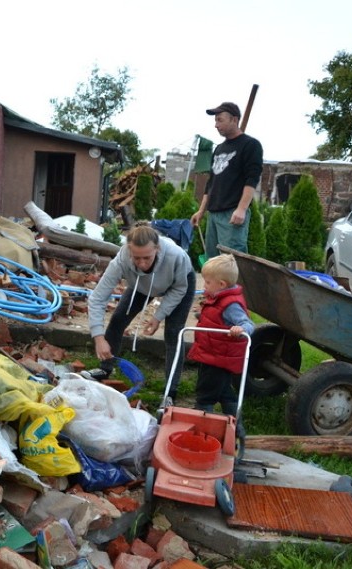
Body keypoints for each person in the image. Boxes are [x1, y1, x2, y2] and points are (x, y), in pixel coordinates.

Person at [88, 223, 196, 403]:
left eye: (147, 257)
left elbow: (179, 289)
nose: (142, 263)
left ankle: (170, 391)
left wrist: (158, 316)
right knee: (117, 320)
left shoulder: (176, 256)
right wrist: (98, 338)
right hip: (140, 284)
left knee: (173, 334)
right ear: (129, 250)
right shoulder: (122, 259)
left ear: (157, 248)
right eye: (136, 258)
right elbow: (97, 298)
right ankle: (105, 368)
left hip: (178, 284)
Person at [191, 102, 263, 259]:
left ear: (234, 119)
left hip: (232, 213)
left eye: (220, 120)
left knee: (231, 262)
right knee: (213, 262)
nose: (216, 125)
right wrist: (201, 211)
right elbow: (211, 183)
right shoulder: (219, 149)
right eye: (215, 121)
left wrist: (242, 209)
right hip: (214, 213)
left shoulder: (250, 145)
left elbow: (252, 180)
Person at [187, 254, 254, 418]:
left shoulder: (231, 304)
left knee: (206, 391)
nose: (205, 285)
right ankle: (235, 424)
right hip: (213, 353)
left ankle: (202, 420)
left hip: (218, 357)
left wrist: (240, 329)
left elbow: (248, 324)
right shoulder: (218, 297)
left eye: (208, 282)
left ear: (221, 284)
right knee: (224, 391)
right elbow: (217, 318)